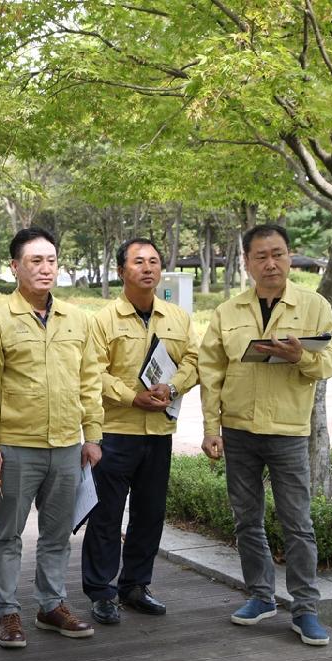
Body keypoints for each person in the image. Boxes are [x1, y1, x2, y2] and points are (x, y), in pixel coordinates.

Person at [198, 224, 332, 647]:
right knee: (247, 520)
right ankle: (260, 596)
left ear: (290, 256)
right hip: (239, 430)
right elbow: (212, 373)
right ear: (246, 262)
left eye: (278, 254)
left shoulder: (314, 305)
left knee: (298, 523)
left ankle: (305, 608)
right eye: (260, 256)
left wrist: (303, 358)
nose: (271, 263)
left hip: (288, 431)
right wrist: (211, 428)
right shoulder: (228, 312)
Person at [0, 227, 102, 649]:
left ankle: (51, 605)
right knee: (8, 534)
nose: (45, 269)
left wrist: (92, 435)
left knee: (57, 534)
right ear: (15, 267)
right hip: (16, 447)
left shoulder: (78, 319)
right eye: (35, 261)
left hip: (66, 446)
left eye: (51, 261)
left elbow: (90, 382)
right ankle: (7, 612)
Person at [83, 238, 198, 625]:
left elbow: (195, 360)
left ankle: (135, 586)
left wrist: (173, 387)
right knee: (106, 516)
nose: (147, 268)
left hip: (159, 433)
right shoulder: (102, 320)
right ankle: (101, 592)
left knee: (149, 514)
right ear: (121, 271)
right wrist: (131, 397)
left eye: (153, 261)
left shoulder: (177, 318)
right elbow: (92, 372)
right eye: (138, 262)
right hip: (116, 430)